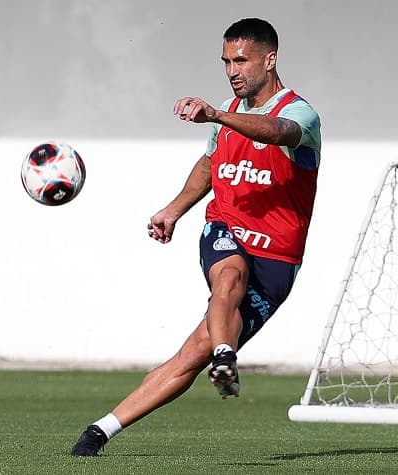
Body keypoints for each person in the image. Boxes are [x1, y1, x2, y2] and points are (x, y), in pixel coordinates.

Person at [71, 17, 321, 456]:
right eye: (226, 61)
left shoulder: (300, 113)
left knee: (190, 356)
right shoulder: (227, 114)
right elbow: (210, 164)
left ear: (270, 59)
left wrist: (219, 114)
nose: (232, 70)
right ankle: (226, 357)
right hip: (225, 227)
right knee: (228, 276)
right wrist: (174, 210)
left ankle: (99, 431)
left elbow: (277, 132)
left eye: (241, 60)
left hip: (278, 259)